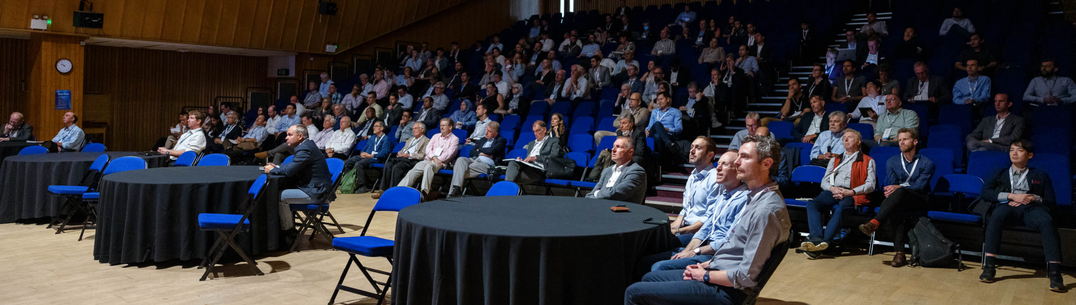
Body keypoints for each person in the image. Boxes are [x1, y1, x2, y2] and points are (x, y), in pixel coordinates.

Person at [624, 135, 789, 305]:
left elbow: (745, 277)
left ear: (766, 164)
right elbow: (732, 251)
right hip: (717, 269)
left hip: (726, 291)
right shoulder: (754, 197)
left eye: (745, 157)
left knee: (634, 292)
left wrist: (704, 274)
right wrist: (706, 265)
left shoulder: (765, 210)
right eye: (738, 155)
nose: (737, 162)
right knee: (650, 276)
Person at [978, 140, 1065, 291]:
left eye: (1019, 150)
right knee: (995, 216)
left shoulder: (1040, 175)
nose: (1014, 153)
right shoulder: (1000, 172)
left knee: (1047, 221)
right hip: (1008, 206)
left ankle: (1056, 273)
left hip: (1031, 208)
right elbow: (986, 193)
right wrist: (1011, 196)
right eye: (1012, 150)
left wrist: (1033, 198)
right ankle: (989, 266)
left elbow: (1051, 201)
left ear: (1030, 155)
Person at [650, 150, 746, 271]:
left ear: (738, 170)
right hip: (703, 240)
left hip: (712, 250)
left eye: (725, 164)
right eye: (719, 163)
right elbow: (704, 224)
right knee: (654, 247)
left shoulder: (742, 198)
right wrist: (686, 249)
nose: (718, 168)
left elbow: (728, 239)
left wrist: (693, 249)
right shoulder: (722, 194)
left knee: (658, 266)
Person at [857, 128, 934, 267]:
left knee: (899, 193)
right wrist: (893, 189)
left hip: (919, 199)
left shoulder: (927, 163)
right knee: (896, 206)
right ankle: (899, 254)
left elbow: (920, 186)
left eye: (905, 139)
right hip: (899, 199)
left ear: (915, 141)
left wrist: (899, 188)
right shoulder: (892, 161)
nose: (901, 142)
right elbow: (893, 184)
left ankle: (875, 223)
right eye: (899, 140)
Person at [800, 129, 876, 259]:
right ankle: (817, 239)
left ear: (858, 141)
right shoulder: (835, 159)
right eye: (844, 137)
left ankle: (825, 242)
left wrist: (850, 192)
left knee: (841, 208)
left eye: (850, 137)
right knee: (813, 204)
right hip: (834, 190)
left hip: (853, 193)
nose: (845, 140)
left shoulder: (868, 161)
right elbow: (824, 180)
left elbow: (871, 185)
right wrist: (832, 188)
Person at [265, 124, 333, 237]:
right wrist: (276, 167)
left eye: (290, 135)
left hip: (317, 193)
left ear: (300, 136)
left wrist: (272, 171)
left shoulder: (305, 148)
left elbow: (290, 171)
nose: (286, 137)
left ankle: (288, 233)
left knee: (281, 196)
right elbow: (293, 166)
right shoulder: (306, 145)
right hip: (314, 188)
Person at [665, 137, 720, 245]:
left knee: (659, 243)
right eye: (692, 147)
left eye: (698, 148)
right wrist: (670, 228)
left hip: (699, 233)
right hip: (686, 228)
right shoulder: (692, 176)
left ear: (710, 154)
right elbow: (685, 210)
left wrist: (678, 231)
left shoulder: (714, 178)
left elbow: (710, 218)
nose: (692, 151)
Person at [398, 118, 459, 201]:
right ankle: (399, 190)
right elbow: (428, 149)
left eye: (444, 125)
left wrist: (435, 161)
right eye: (441, 125)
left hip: (442, 163)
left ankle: (424, 193)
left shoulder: (454, 139)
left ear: (450, 127)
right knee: (414, 169)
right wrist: (434, 158)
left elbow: (449, 154)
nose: (441, 127)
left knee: (429, 167)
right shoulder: (435, 136)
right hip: (429, 160)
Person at [446, 121, 505, 198]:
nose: (486, 133)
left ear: (495, 133)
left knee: (459, 169)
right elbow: (472, 152)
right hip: (475, 159)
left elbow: (492, 150)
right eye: (486, 130)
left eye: (489, 131)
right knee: (460, 160)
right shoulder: (483, 140)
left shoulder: (501, 140)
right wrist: (481, 153)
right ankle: (457, 189)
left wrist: (480, 150)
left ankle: (452, 193)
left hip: (486, 165)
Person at [372, 123, 429, 199]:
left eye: (416, 128)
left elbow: (422, 155)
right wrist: (400, 152)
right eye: (413, 129)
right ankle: (383, 191)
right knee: (388, 165)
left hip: (412, 160)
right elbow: (404, 149)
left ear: (422, 130)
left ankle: (393, 193)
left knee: (397, 167)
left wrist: (409, 155)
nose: (413, 130)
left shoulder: (426, 141)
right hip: (402, 158)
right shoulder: (410, 140)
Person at [585, 136, 647, 204]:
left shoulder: (636, 171)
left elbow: (612, 194)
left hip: (622, 213)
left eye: (618, 147)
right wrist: (598, 194)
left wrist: (597, 193)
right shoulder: (607, 171)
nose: (613, 149)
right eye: (613, 146)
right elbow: (589, 195)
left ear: (630, 152)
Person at [588, 114, 648, 182]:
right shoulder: (620, 132)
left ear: (631, 124)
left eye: (624, 123)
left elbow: (640, 151)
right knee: (605, 154)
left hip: (634, 156)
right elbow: (619, 147)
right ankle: (601, 179)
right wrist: (611, 151)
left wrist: (625, 153)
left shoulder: (639, 133)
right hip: (623, 155)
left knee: (634, 158)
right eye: (620, 123)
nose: (621, 126)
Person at [505, 120, 561, 186]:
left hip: (539, 170)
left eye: (538, 131)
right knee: (513, 163)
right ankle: (506, 188)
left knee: (512, 176)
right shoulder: (531, 143)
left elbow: (554, 156)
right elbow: (529, 157)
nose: (535, 133)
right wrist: (522, 161)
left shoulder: (553, 141)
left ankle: (505, 189)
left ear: (544, 130)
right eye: (534, 131)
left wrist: (535, 158)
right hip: (528, 167)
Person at [341, 120, 388, 193]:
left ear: (381, 128)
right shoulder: (372, 137)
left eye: (376, 126)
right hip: (367, 156)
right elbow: (365, 148)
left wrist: (371, 155)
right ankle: (347, 183)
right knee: (349, 161)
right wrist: (362, 153)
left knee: (359, 164)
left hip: (376, 158)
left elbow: (384, 153)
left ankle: (362, 186)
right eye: (374, 126)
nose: (374, 128)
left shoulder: (386, 139)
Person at [646, 92, 683, 164]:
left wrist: (668, 129)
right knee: (657, 124)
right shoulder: (654, 111)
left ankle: (662, 162)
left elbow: (679, 128)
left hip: (668, 135)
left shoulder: (676, 112)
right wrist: (646, 129)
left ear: (668, 99)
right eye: (658, 100)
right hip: (653, 133)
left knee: (657, 136)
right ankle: (669, 144)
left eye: (661, 99)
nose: (659, 101)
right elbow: (650, 125)